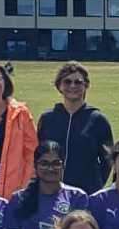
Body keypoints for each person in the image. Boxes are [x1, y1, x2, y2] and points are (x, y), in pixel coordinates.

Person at [37, 62, 114, 194]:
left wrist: (95, 185)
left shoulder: (97, 120)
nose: (72, 86)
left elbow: (107, 159)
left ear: (86, 85)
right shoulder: (47, 119)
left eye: (78, 82)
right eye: (67, 82)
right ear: (59, 86)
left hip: (85, 192)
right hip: (52, 191)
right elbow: (38, 155)